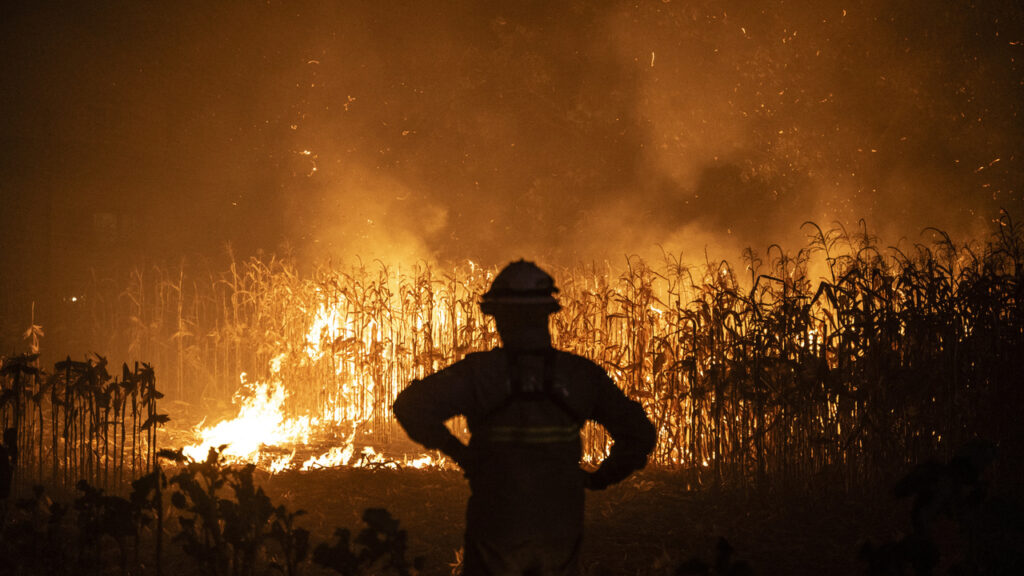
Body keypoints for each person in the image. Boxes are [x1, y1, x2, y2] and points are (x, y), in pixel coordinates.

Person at [393, 260, 656, 576]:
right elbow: (638, 432)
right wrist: (600, 478)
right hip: (560, 521)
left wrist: (461, 454)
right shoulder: (580, 375)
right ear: (547, 314)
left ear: (499, 317)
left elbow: (411, 405)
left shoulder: (480, 374)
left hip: (497, 519)